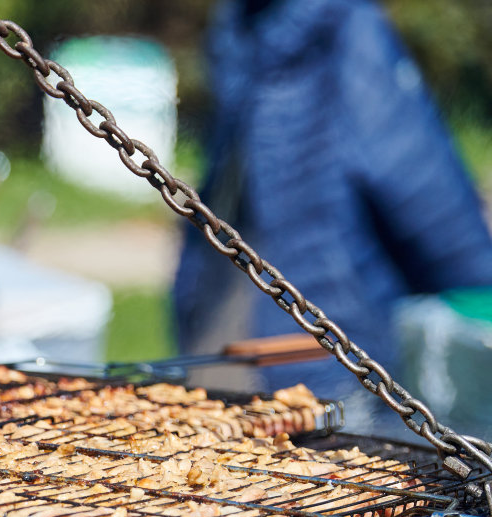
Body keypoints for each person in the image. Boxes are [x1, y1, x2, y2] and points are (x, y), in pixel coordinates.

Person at [171, 0, 492, 416]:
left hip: (222, 336)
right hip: (329, 346)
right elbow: (424, 190)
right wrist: (479, 282)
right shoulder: (346, 26)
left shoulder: (241, 24)